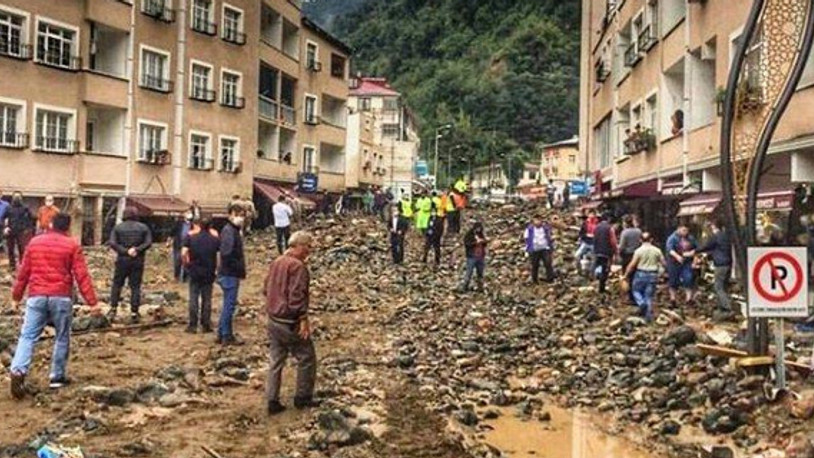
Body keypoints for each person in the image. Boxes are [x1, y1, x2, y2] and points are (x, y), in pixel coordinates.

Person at [9, 213, 99, 398]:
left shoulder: (34, 243)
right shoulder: (72, 245)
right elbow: (82, 275)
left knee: (27, 336)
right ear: (67, 227)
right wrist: (92, 302)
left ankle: (18, 370)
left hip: (36, 295)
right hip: (61, 296)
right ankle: (56, 377)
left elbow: (24, 272)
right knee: (62, 336)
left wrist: (16, 297)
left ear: (50, 224)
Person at [265, 231, 319, 415]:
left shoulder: (276, 262)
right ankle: (302, 398)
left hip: (273, 319)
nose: (309, 251)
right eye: (308, 247)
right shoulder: (298, 267)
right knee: (306, 357)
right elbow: (297, 296)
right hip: (289, 321)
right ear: (299, 246)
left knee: (276, 360)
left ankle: (272, 400)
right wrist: (303, 319)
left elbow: (266, 288)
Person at [108, 207, 153, 323]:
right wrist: (137, 250)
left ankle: (113, 308)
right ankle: (134, 312)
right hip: (137, 260)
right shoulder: (143, 227)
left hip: (122, 260)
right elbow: (148, 243)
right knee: (135, 286)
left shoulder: (118, 228)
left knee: (117, 284)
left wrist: (124, 251)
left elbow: (112, 243)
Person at [183, 218, 220, 333]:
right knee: (207, 298)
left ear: (199, 225)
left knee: (193, 297)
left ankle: (192, 325)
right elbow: (219, 256)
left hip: (194, 271)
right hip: (209, 271)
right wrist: (217, 269)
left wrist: (187, 265)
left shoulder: (191, 237)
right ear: (210, 226)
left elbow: (184, 253)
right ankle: (206, 324)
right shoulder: (215, 239)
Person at [217, 206, 247, 345]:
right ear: (230, 215)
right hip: (230, 274)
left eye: (243, 215)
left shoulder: (232, 230)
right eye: (238, 214)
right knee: (229, 306)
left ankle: (221, 333)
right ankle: (226, 335)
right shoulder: (229, 231)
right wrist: (237, 268)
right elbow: (227, 253)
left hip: (228, 272)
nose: (241, 218)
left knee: (227, 305)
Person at [624, 232, 666, 322]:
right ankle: (648, 317)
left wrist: (626, 275)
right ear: (651, 240)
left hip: (641, 273)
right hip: (653, 274)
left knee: (636, 291)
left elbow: (632, 264)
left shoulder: (638, 251)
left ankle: (641, 303)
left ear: (640, 240)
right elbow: (663, 263)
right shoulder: (657, 250)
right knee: (649, 296)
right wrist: (664, 272)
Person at [697, 219, 733, 312]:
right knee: (724, 286)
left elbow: (706, 246)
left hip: (720, 264)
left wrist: (694, 251)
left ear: (714, 226)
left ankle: (727, 306)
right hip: (728, 263)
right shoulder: (726, 236)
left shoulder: (715, 236)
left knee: (718, 286)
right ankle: (722, 306)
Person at [665, 224, 698, 306]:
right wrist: (677, 256)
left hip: (687, 262)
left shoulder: (690, 238)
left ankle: (689, 299)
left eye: (687, 231)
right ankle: (673, 299)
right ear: (678, 229)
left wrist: (693, 255)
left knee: (688, 279)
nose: (685, 232)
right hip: (674, 262)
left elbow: (696, 248)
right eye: (683, 230)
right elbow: (670, 249)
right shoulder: (672, 238)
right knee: (673, 280)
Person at [4, 192, 34, 271]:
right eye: (15, 197)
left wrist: (28, 228)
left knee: (22, 249)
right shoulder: (8, 208)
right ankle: (12, 266)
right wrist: (6, 227)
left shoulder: (25, 208)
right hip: (11, 231)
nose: (17, 198)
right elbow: (4, 218)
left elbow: (31, 219)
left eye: (18, 197)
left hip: (22, 232)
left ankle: (22, 265)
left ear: (21, 198)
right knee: (10, 249)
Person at [618, 216, 643, 304]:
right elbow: (641, 242)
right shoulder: (638, 231)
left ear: (625, 223)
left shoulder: (624, 233)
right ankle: (638, 295)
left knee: (627, 276)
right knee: (636, 275)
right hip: (637, 255)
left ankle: (630, 297)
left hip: (627, 256)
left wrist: (619, 254)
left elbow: (621, 246)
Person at [525, 214, 555, 283]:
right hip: (535, 249)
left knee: (548, 263)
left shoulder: (545, 228)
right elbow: (527, 239)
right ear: (533, 221)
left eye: (539, 220)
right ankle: (535, 280)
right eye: (536, 220)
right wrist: (527, 250)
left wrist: (551, 246)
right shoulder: (530, 229)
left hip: (544, 248)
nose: (538, 222)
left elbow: (550, 236)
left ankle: (550, 278)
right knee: (535, 265)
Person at [459, 221, 487, 292]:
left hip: (480, 256)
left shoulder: (481, 234)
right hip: (472, 256)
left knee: (480, 273)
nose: (479, 230)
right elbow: (467, 244)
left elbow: (484, 243)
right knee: (469, 272)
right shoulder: (469, 234)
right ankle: (464, 287)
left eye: (480, 228)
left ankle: (480, 287)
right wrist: (475, 243)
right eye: (478, 228)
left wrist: (483, 242)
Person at [593, 214, 617, 295]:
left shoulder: (596, 227)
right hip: (606, 251)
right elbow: (613, 241)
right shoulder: (609, 228)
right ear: (608, 219)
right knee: (605, 269)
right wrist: (615, 251)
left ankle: (595, 283)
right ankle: (601, 288)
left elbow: (594, 238)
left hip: (597, 251)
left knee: (597, 266)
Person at [171, 211, 193, 282]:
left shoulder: (192, 225)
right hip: (178, 245)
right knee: (177, 261)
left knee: (187, 262)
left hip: (188, 246)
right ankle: (176, 276)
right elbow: (172, 232)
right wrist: (169, 240)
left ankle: (185, 278)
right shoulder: (179, 223)